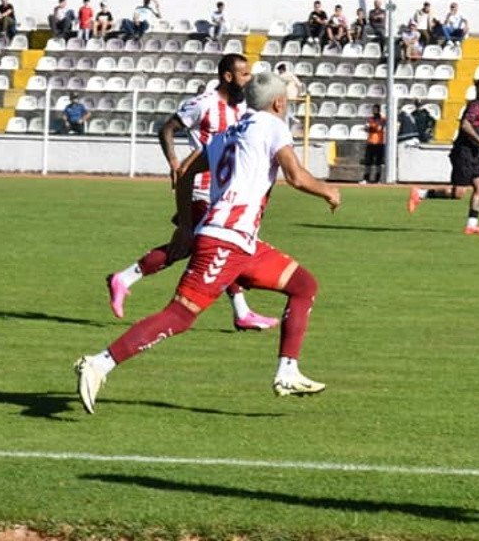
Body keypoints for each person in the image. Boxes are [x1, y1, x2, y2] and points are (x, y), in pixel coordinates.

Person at [74, 72, 341, 413]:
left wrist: (186, 224)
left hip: (242, 243)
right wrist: (328, 191)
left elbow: (186, 172)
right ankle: (99, 364)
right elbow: (296, 175)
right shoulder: (272, 125)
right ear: (279, 103)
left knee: (304, 285)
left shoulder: (226, 133)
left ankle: (287, 370)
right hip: (225, 241)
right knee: (180, 316)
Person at [105, 54, 279, 331]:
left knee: (194, 247)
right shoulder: (204, 104)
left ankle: (124, 279)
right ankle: (241, 312)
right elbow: (168, 129)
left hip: (224, 191)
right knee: (223, 245)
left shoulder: (244, 107)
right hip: (201, 188)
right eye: (244, 74)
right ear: (228, 77)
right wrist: (174, 162)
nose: (248, 79)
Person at [407, 78, 479, 235]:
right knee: (458, 193)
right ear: (478, 90)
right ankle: (420, 193)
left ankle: (472, 225)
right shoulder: (475, 106)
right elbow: (465, 125)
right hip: (463, 153)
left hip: (473, 153)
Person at [361, 104, 385, 184]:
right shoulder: (370, 119)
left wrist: (371, 128)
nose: (374, 111)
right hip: (370, 142)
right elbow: (366, 128)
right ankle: (366, 178)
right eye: (373, 109)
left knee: (378, 162)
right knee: (368, 162)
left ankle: (378, 179)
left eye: (376, 109)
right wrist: (372, 128)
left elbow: (379, 128)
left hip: (379, 143)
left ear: (379, 110)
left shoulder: (382, 119)